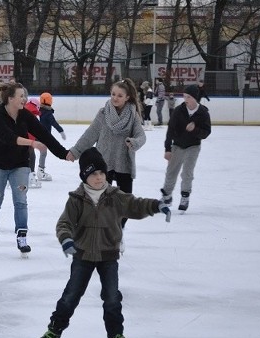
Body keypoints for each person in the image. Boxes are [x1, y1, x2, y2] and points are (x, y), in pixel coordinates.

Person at [33, 147, 171, 338]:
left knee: (112, 298)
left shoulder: (115, 196)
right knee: (70, 296)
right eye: (93, 174)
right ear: (84, 177)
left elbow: (136, 205)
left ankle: (116, 335)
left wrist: (155, 205)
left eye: (101, 173)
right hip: (83, 255)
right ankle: (53, 331)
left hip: (108, 256)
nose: (98, 178)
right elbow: (64, 223)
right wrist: (67, 239)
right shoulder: (77, 199)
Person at [0, 82, 72, 255]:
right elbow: (8, 137)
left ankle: (22, 237)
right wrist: (31, 143)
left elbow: (44, 134)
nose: (24, 99)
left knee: (20, 202)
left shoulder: (26, 115)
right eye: (21, 96)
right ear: (10, 98)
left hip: (20, 164)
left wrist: (63, 153)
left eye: (25, 96)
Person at [66, 78, 146, 229]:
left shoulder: (133, 116)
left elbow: (141, 136)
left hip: (124, 164)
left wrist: (134, 142)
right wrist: (75, 151)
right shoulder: (103, 114)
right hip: (103, 165)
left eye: (120, 95)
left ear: (127, 97)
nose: (115, 98)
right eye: (113, 94)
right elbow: (90, 135)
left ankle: (118, 230)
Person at [159, 84, 211, 212]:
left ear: (195, 98)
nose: (185, 99)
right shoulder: (178, 111)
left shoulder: (203, 113)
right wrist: (167, 149)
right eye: (184, 96)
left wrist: (195, 130)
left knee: (187, 172)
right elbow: (170, 130)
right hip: (177, 145)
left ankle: (185, 196)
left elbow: (206, 132)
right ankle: (167, 196)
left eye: (188, 97)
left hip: (193, 146)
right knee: (171, 171)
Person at [38, 92, 67, 182]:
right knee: (43, 153)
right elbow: (54, 123)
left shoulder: (39, 110)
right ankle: (40, 170)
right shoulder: (47, 113)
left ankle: (30, 171)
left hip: (36, 134)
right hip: (44, 136)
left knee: (31, 153)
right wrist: (61, 131)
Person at [24, 97, 42, 189]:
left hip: (20, 139)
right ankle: (30, 176)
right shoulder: (34, 115)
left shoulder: (22, 110)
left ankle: (13, 177)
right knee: (31, 157)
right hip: (29, 140)